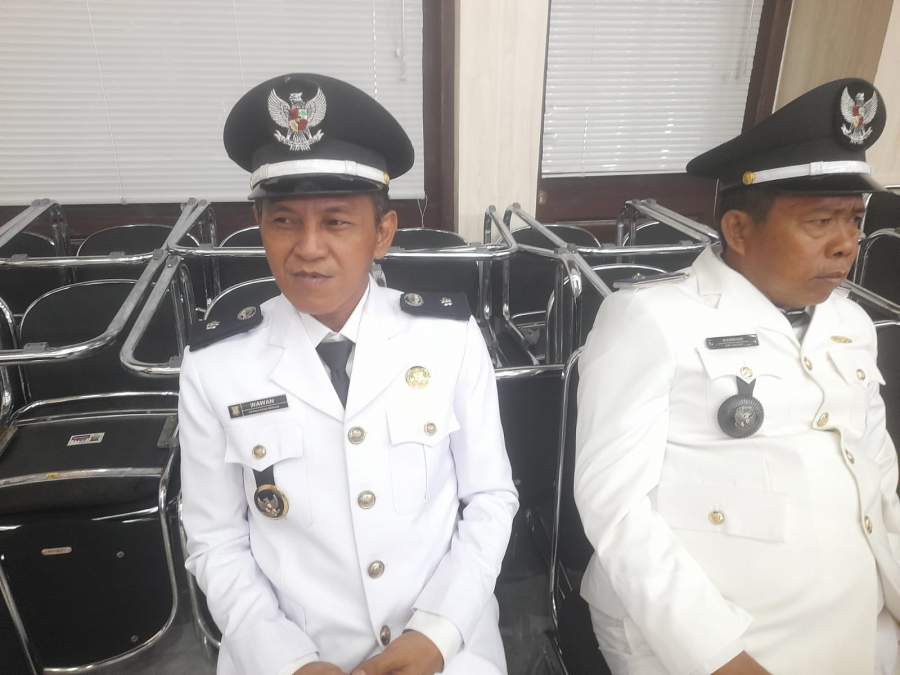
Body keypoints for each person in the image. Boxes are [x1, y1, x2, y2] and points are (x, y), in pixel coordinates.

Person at [178, 73, 518, 675]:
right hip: (287, 652)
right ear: (261, 228)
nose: (308, 248)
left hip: (446, 643)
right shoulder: (216, 366)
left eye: (336, 222)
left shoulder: (448, 339)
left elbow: (489, 498)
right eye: (285, 221)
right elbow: (214, 539)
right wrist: (287, 661)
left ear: (381, 234)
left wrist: (436, 633)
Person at [574, 78, 900, 675]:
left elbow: (877, 475)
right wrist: (719, 656)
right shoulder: (651, 320)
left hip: (858, 618)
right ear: (739, 230)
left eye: (855, 220)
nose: (846, 245)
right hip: (717, 634)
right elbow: (615, 509)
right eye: (820, 221)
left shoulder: (850, 321)